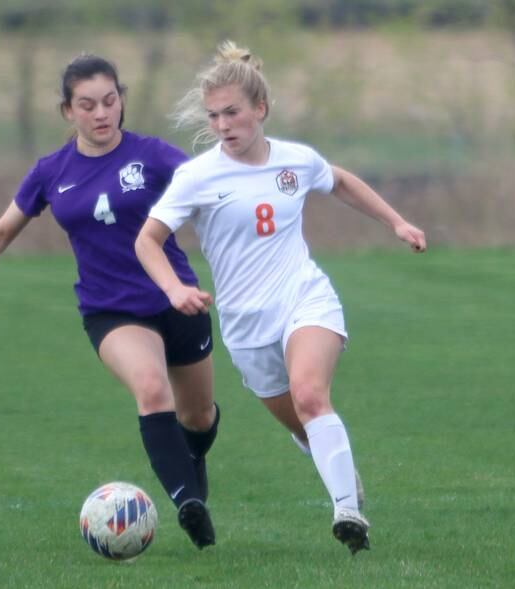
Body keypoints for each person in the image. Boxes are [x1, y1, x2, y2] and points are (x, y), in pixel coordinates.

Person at [0, 54, 218, 549]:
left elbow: (215, 188)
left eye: (111, 101)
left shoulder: (153, 156)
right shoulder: (52, 171)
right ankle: (188, 502)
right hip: (110, 310)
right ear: (67, 111)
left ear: (122, 101)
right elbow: (4, 229)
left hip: (177, 297)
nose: (102, 113)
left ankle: (193, 461)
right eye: (88, 104)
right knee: (151, 388)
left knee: (198, 417)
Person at [135, 41, 426, 555]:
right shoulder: (197, 176)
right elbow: (147, 240)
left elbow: (339, 182)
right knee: (306, 425)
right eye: (214, 116)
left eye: (233, 113)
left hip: (304, 299)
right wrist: (174, 288)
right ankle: (341, 472)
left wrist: (397, 222)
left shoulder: (296, 160)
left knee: (311, 395)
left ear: (260, 109)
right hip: (246, 329)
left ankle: (347, 512)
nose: (223, 125)